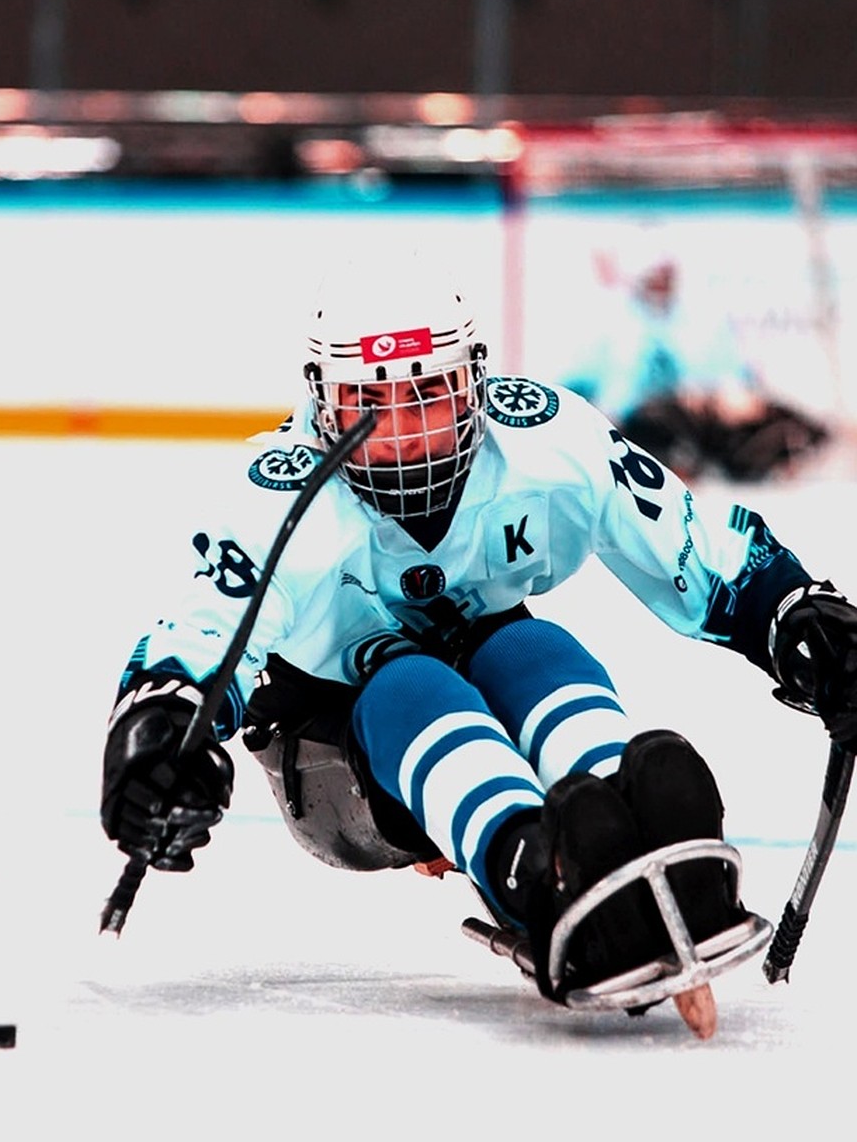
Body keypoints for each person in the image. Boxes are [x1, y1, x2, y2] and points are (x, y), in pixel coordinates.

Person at [100, 250, 857, 1038]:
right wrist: (158, 733)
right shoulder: (279, 492)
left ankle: (634, 828)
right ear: (323, 401)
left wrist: (794, 616)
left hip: (483, 657)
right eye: (369, 401)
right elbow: (204, 630)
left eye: (428, 394)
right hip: (332, 743)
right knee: (411, 685)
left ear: (474, 382)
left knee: (534, 655)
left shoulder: (546, 438)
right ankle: (534, 870)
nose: (401, 431)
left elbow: (685, 543)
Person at [555, 228, 829, 482]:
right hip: (638, 425)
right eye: (656, 276)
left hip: (701, 420)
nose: (663, 283)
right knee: (655, 419)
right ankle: (685, 462)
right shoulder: (609, 324)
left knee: (786, 419)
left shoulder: (701, 319)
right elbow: (571, 384)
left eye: (667, 275)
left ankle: (772, 457)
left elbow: (733, 376)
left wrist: (735, 395)